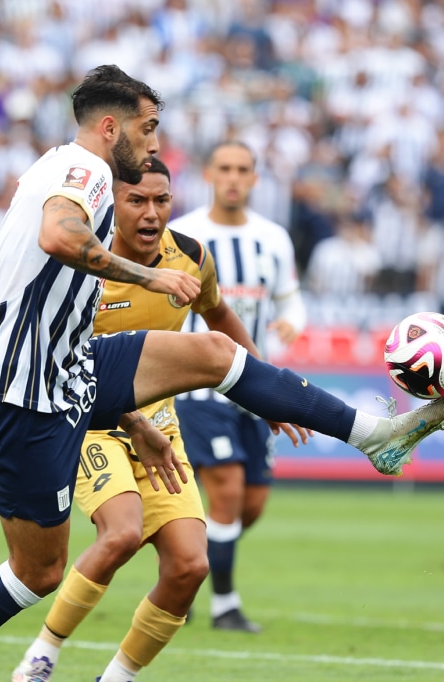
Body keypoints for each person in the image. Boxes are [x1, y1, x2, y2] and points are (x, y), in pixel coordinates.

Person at [0, 64, 444, 682]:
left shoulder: (63, 169)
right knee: (37, 571)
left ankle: (375, 437)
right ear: (110, 126)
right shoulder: (85, 171)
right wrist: (150, 276)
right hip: (30, 396)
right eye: (148, 129)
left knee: (210, 352)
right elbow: (57, 236)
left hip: (71, 371)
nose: (155, 145)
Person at [0, 157, 306, 680]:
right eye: (136, 200)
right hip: (88, 422)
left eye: (161, 200)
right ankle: (40, 658)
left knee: (190, 566)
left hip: (161, 428)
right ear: (108, 205)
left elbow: (219, 315)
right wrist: (132, 422)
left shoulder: (188, 257)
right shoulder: (77, 266)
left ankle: (115, 678)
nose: (151, 212)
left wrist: (265, 386)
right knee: (120, 535)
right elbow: (46, 358)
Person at [168, 140, 306, 633]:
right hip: (199, 390)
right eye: (223, 167)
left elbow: (291, 299)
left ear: (255, 179)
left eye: (242, 169)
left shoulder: (273, 238)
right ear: (209, 173)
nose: (232, 177)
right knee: (224, 494)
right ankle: (223, 605)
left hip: (256, 388)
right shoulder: (183, 234)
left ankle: (177, 573)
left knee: (250, 507)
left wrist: (292, 322)